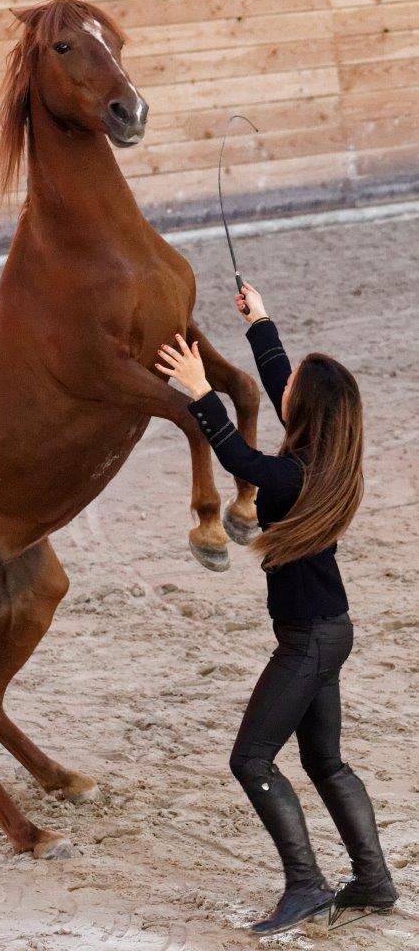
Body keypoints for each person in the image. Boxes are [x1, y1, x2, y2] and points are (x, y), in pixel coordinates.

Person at [155, 282, 397, 937]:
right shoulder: (328, 456)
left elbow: (237, 455)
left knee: (251, 759)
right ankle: (373, 882)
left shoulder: (291, 473)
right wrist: (260, 322)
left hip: (311, 638)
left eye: (292, 399)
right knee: (326, 762)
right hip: (327, 629)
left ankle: (307, 885)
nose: (283, 392)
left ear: (305, 415)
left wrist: (199, 390)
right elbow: (284, 379)